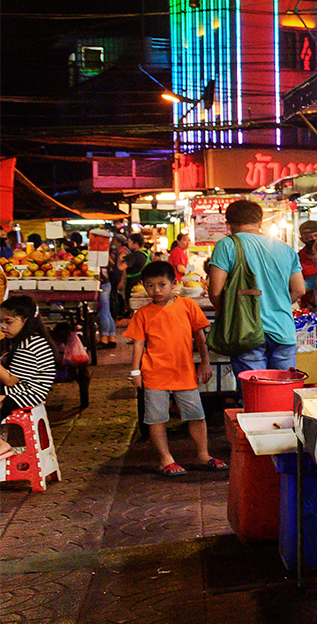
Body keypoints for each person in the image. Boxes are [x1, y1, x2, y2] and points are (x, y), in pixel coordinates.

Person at [126, 261, 220, 476]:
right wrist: (135, 372)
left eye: (161, 284)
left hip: (184, 371)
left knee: (196, 414)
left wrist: (205, 362)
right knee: (156, 418)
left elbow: (200, 336)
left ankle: (203, 454)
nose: (156, 290)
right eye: (149, 286)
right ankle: (165, 458)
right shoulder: (143, 313)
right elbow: (138, 344)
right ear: (143, 286)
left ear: (174, 284)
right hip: (154, 373)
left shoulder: (188, 306)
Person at [206, 198, 306, 373]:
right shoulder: (284, 248)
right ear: (260, 221)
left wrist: (227, 311)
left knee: (255, 393)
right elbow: (299, 289)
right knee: (282, 392)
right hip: (283, 330)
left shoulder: (227, 245)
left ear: (229, 224)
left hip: (246, 330)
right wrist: (276, 303)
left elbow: (215, 290)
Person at [0, 295, 56, 459]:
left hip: (27, 394)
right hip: (19, 390)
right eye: (1, 322)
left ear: (26, 320)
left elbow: (10, 380)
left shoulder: (30, 345)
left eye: (8, 322)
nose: (3, 327)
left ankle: (2, 445)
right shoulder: (24, 341)